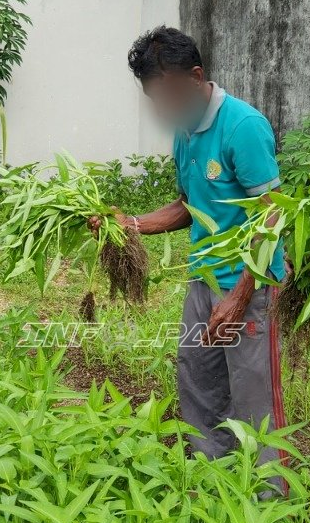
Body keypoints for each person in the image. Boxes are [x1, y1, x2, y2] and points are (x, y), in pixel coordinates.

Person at [101, 26, 287, 473]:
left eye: (166, 96)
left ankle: (267, 494)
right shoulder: (185, 130)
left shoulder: (242, 127)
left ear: (196, 76)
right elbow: (189, 205)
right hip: (202, 282)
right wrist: (131, 225)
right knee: (198, 379)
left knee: (253, 393)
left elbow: (273, 214)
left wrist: (241, 295)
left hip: (250, 287)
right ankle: (213, 476)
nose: (162, 109)